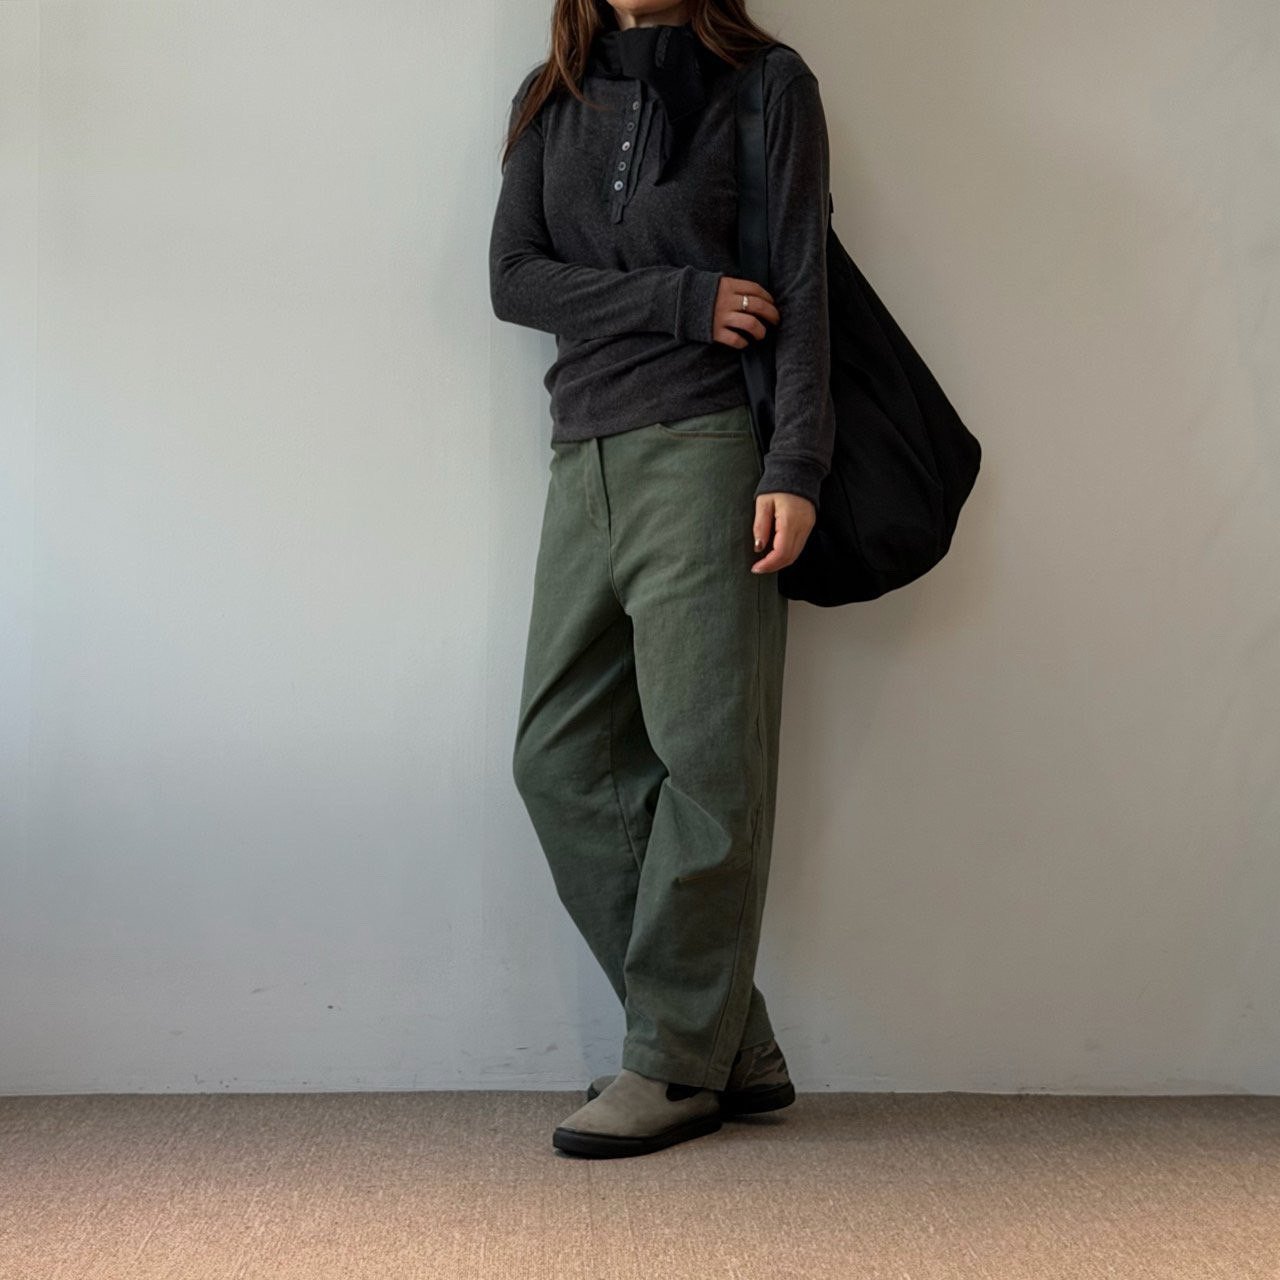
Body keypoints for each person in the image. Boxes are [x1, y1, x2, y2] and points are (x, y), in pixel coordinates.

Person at [488, 0, 835, 1158]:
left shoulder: (767, 84)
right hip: (579, 452)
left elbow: (800, 282)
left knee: (706, 762)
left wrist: (794, 463)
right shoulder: (548, 96)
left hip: (704, 448)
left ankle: (676, 1062)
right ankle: (729, 1043)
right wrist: (678, 297)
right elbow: (514, 279)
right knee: (556, 757)